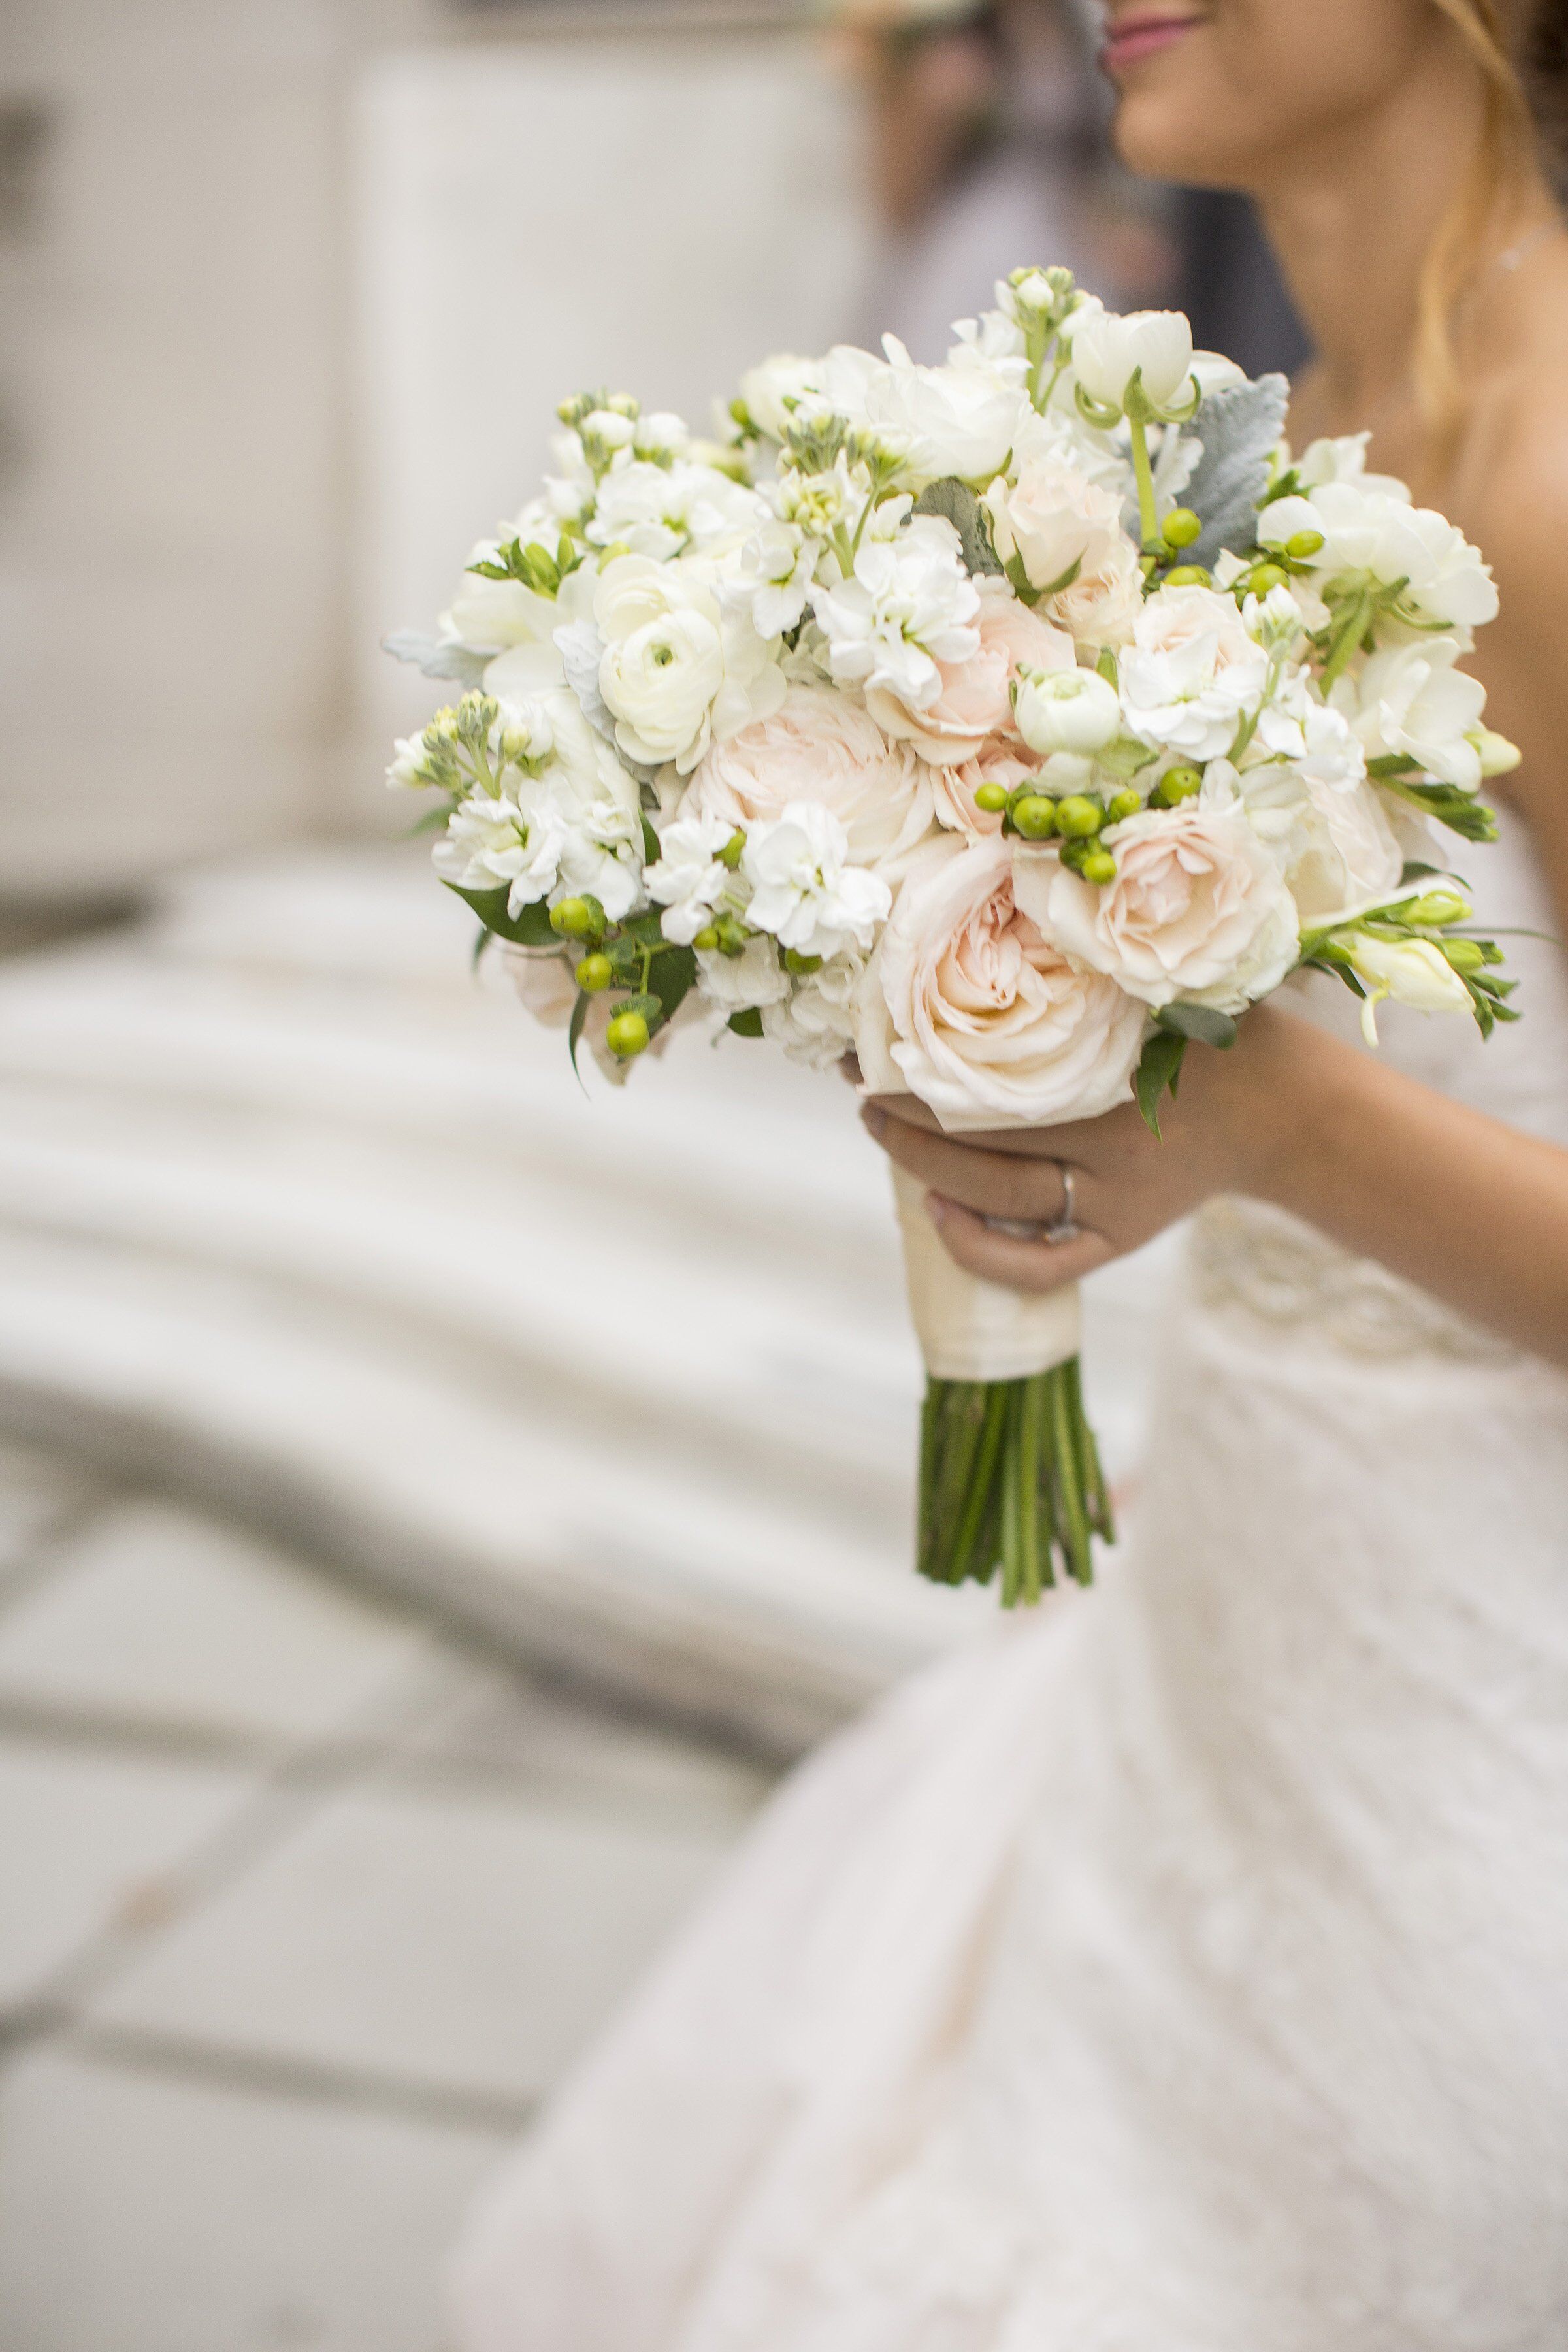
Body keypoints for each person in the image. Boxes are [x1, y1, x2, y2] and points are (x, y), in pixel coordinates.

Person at [452, 5, 1568, 2343]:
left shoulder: (1557, 477)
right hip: (1238, 1616)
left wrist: (1267, 1120)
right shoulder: (1281, 459)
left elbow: (1314, 1094)